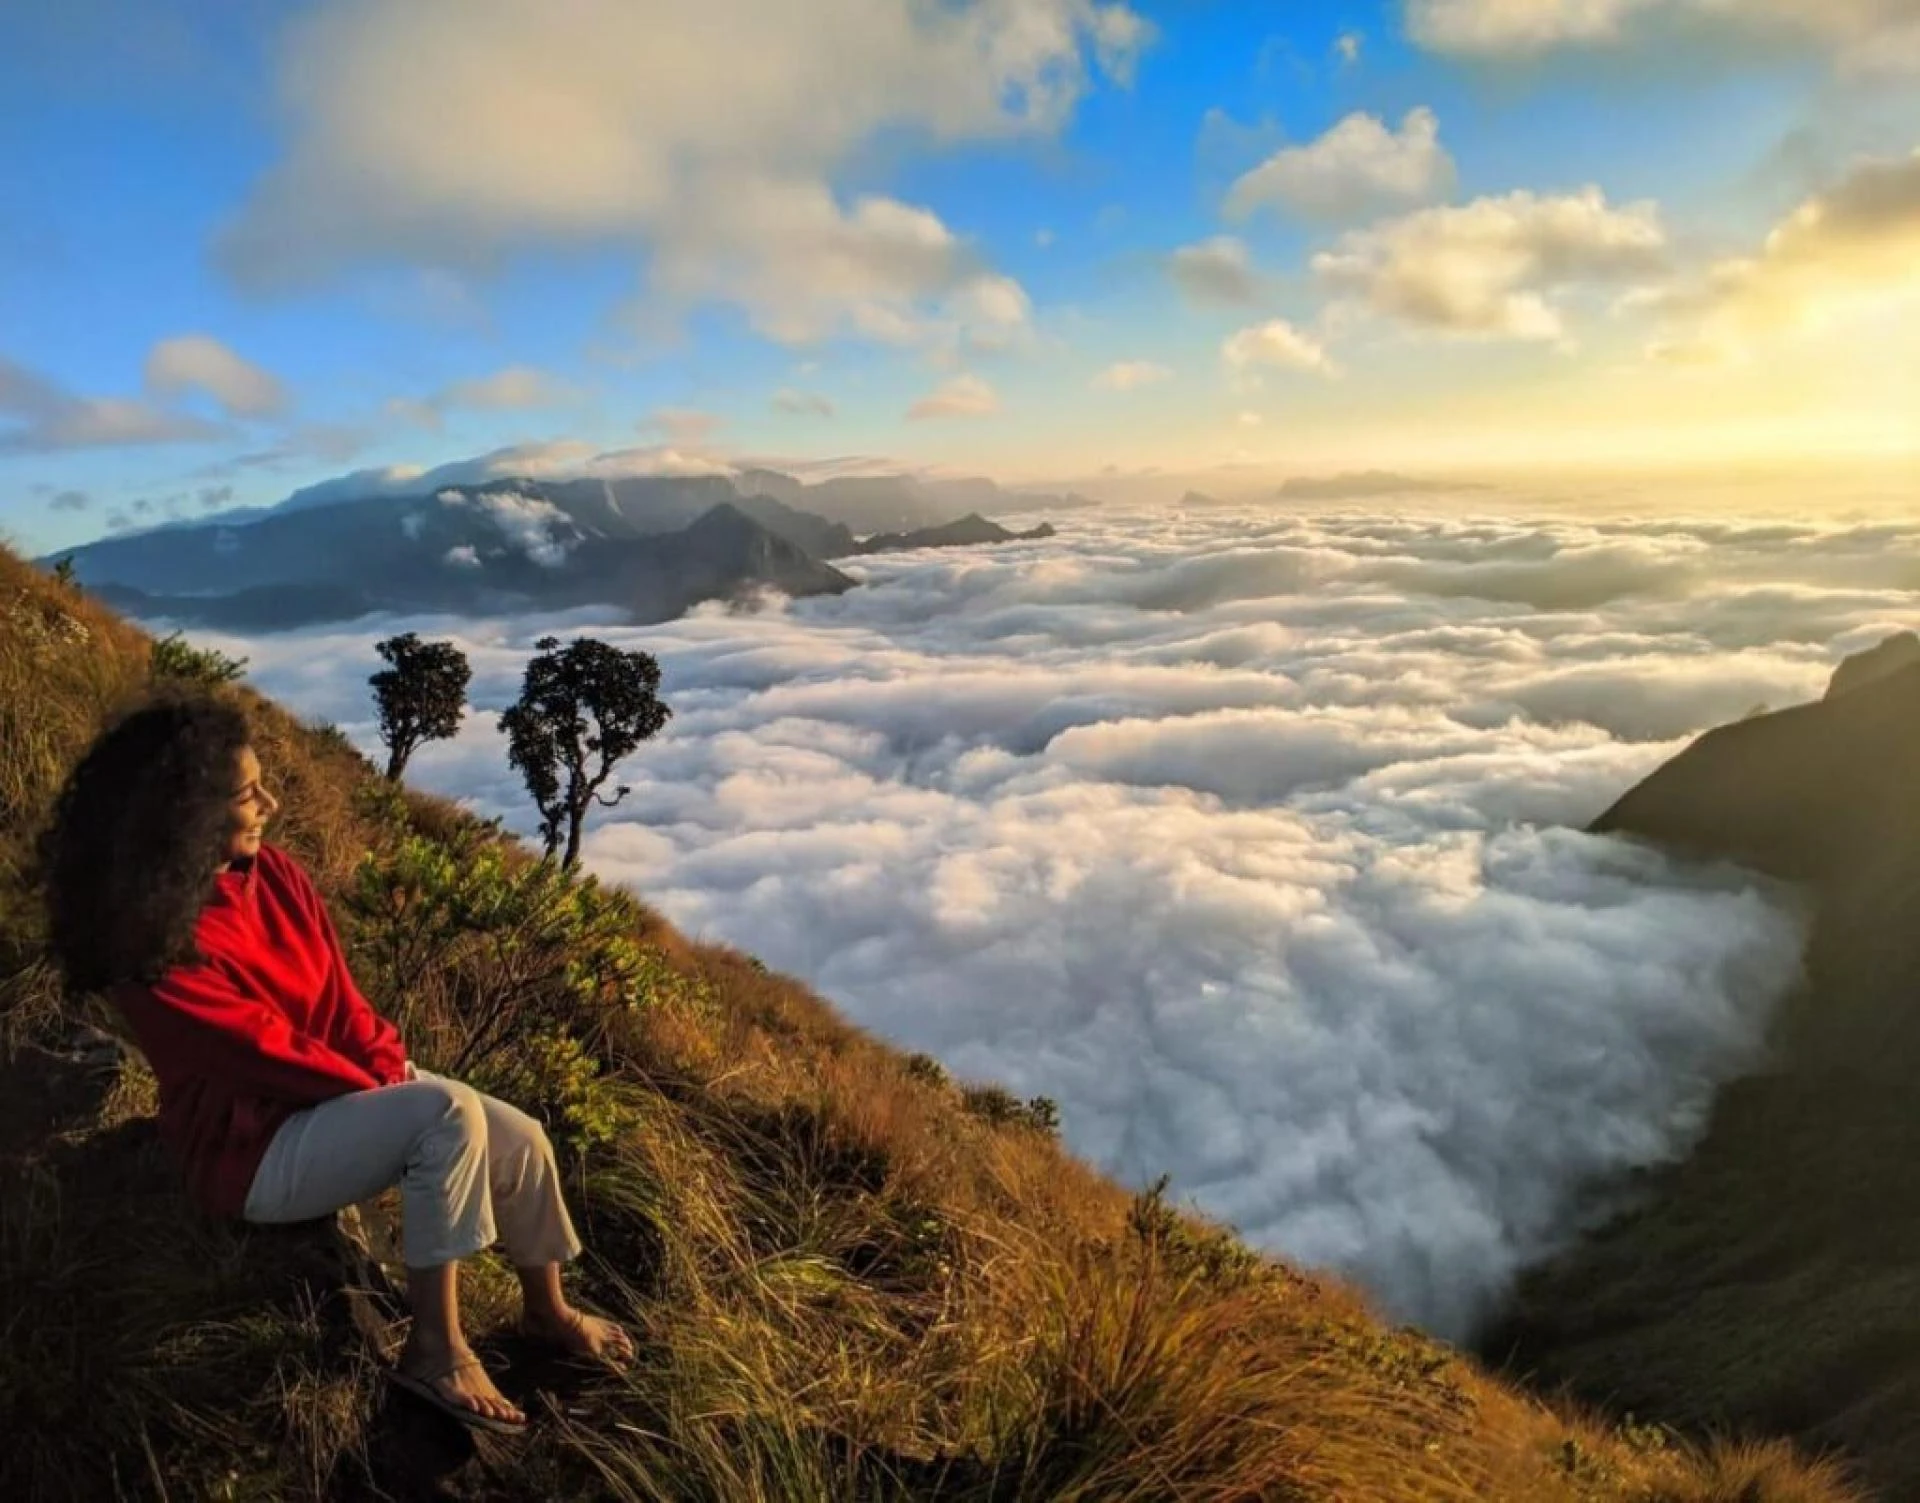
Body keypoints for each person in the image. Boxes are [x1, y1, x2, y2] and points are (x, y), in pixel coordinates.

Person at [35, 688, 635, 1434]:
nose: (272, 803)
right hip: (251, 1146)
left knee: (518, 1135)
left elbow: (339, 1001)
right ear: (184, 812)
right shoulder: (149, 943)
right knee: (445, 1118)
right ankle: (434, 1346)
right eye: (248, 793)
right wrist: (383, 1097)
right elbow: (250, 1050)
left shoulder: (276, 876)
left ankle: (547, 1309)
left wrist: (385, 1065)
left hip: (325, 1095)